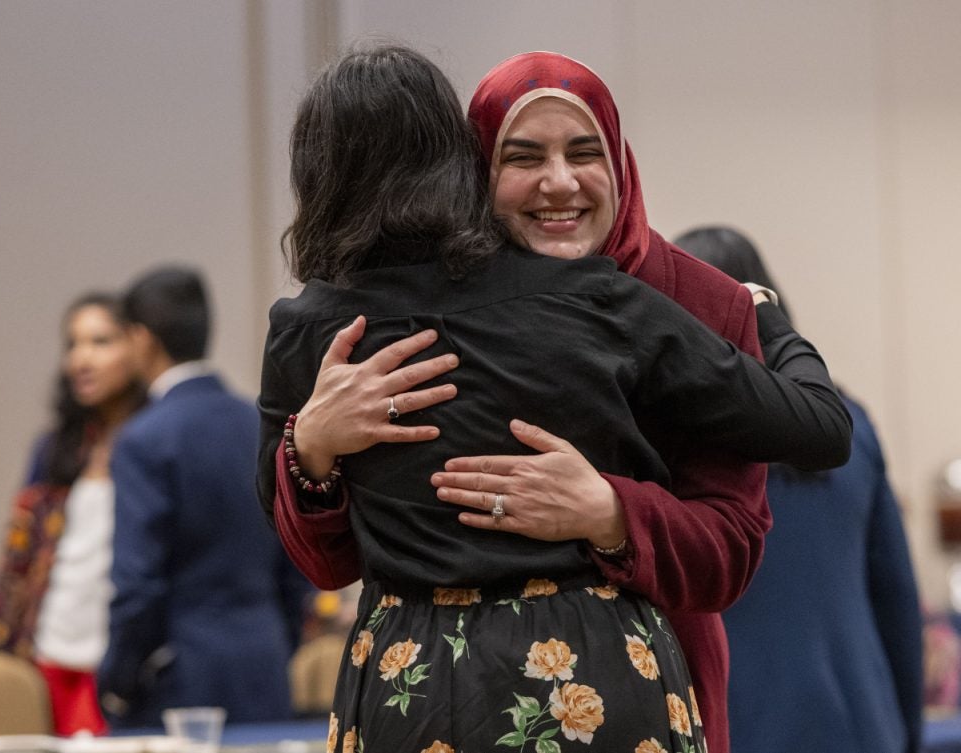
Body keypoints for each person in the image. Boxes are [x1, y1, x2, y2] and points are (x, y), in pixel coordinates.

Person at [257, 44, 851, 752]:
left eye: (584, 151)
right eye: (522, 157)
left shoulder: (700, 301)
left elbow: (733, 542)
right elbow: (326, 556)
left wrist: (611, 512)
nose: (559, 183)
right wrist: (310, 444)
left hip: (433, 678)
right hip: (593, 674)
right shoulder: (587, 303)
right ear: (472, 168)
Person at [675, 225, 924, 753]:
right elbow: (898, 600)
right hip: (862, 723)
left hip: (734, 725)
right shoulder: (850, 428)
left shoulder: (671, 449)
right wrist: (906, 729)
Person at [97, 266, 312, 728]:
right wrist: (280, 640)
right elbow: (296, 558)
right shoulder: (262, 425)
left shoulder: (144, 439)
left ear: (142, 339)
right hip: (264, 662)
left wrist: (118, 676)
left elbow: (138, 584)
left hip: (178, 676)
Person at [0, 292, 145, 735]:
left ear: (139, 345)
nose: (81, 359)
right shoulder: (55, 448)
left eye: (100, 341)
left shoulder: (157, 445)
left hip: (117, 664)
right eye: (73, 344)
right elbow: (18, 558)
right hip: (49, 655)